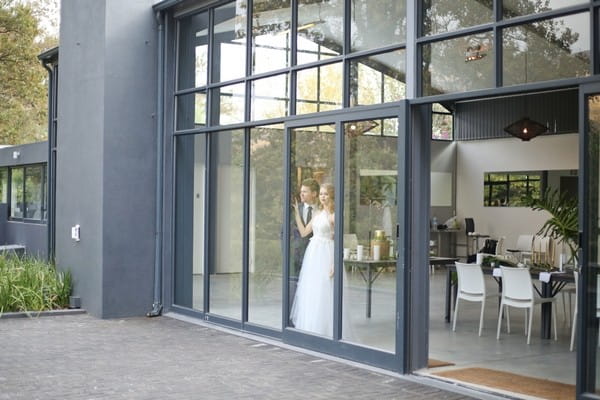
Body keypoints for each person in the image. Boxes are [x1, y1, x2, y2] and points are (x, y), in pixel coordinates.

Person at [290, 182, 335, 336]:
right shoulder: (317, 214)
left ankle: (325, 329)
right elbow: (303, 232)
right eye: (321, 194)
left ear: (331, 196)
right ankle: (311, 327)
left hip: (326, 253)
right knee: (312, 289)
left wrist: (333, 264)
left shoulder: (333, 216)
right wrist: (296, 212)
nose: (323, 197)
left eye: (326, 194)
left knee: (325, 290)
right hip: (313, 254)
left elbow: (337, 241)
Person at [290, 179, 320, 277]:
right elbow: (285, 232)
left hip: (316, 255)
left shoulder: (321, 210)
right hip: (297, 256)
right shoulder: (294, 208)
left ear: (314, 193)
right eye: (301, 192)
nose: (301, 194)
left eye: (305, 192)